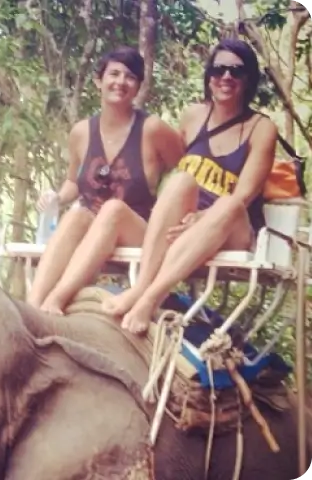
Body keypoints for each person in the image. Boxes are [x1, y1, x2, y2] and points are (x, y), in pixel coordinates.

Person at [97, 38, 279, 334]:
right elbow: (162, 168)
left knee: (229, 203)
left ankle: (151, 298)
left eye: (236, 70)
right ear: (209, 77)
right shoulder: (192, 115)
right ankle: (141, 286)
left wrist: (202, 218)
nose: (226, 77)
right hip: (182, 227)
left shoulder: (261, 128)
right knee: (181, 180)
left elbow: (245, 195)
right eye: (219, 69)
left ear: (248, 79)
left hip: (231, 228)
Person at [27, 46, 184, 313]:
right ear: (99, 81)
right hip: (92, 229)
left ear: (137, 87)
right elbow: (74, 183)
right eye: (114, 74)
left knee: (113, 210)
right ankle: (33, 305)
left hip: (138, 230)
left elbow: (189, 169)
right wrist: (57, 197)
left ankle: (57, 299)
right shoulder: (81, 132)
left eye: (130, 77)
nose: (120, 82)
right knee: (77, 215)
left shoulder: (153, 129)